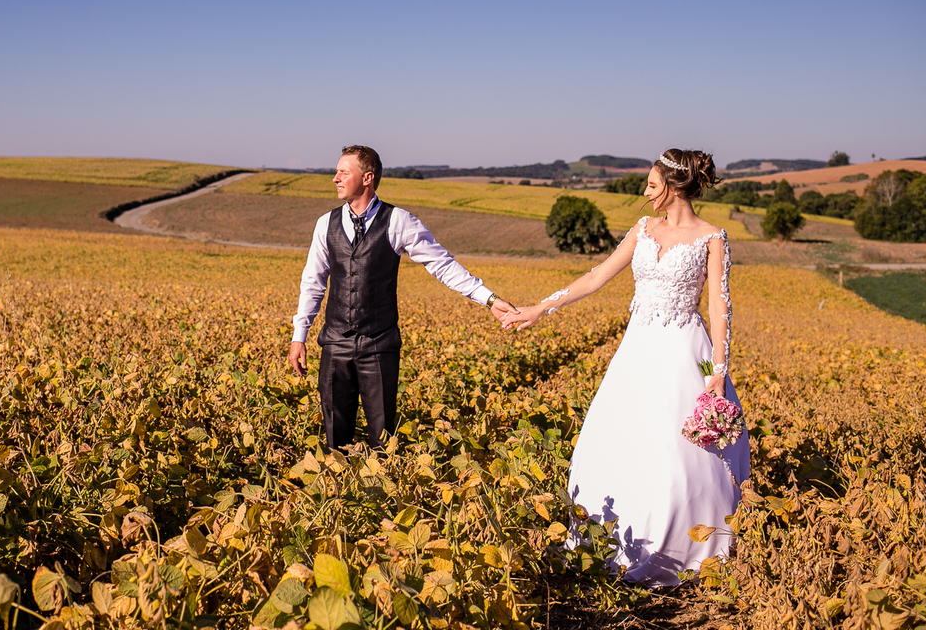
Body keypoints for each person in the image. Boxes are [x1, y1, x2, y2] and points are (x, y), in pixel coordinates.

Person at [502, 148, 750, 587]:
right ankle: (611, 540)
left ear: (674, 187)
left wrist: (717, 369)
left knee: (678, 455)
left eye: (653, 186)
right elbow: (596, 277)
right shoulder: (642, 228)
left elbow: (718, 305)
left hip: (682, 349)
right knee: (618, 440)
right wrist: (540, 308)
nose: (646, 193)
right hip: (637, 349)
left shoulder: (713, 237)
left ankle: (679, 545)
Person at [289, 145, 517, 450]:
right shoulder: (325, 224)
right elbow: (312, 283)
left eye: (344, 172)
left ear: (367, 178)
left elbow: (443, 265)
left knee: (383, 441)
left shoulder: (398, 221)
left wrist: (488, 299)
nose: (335, 178)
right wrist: (299, 335)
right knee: (334, 438)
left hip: (379, 346)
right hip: (335, 345)